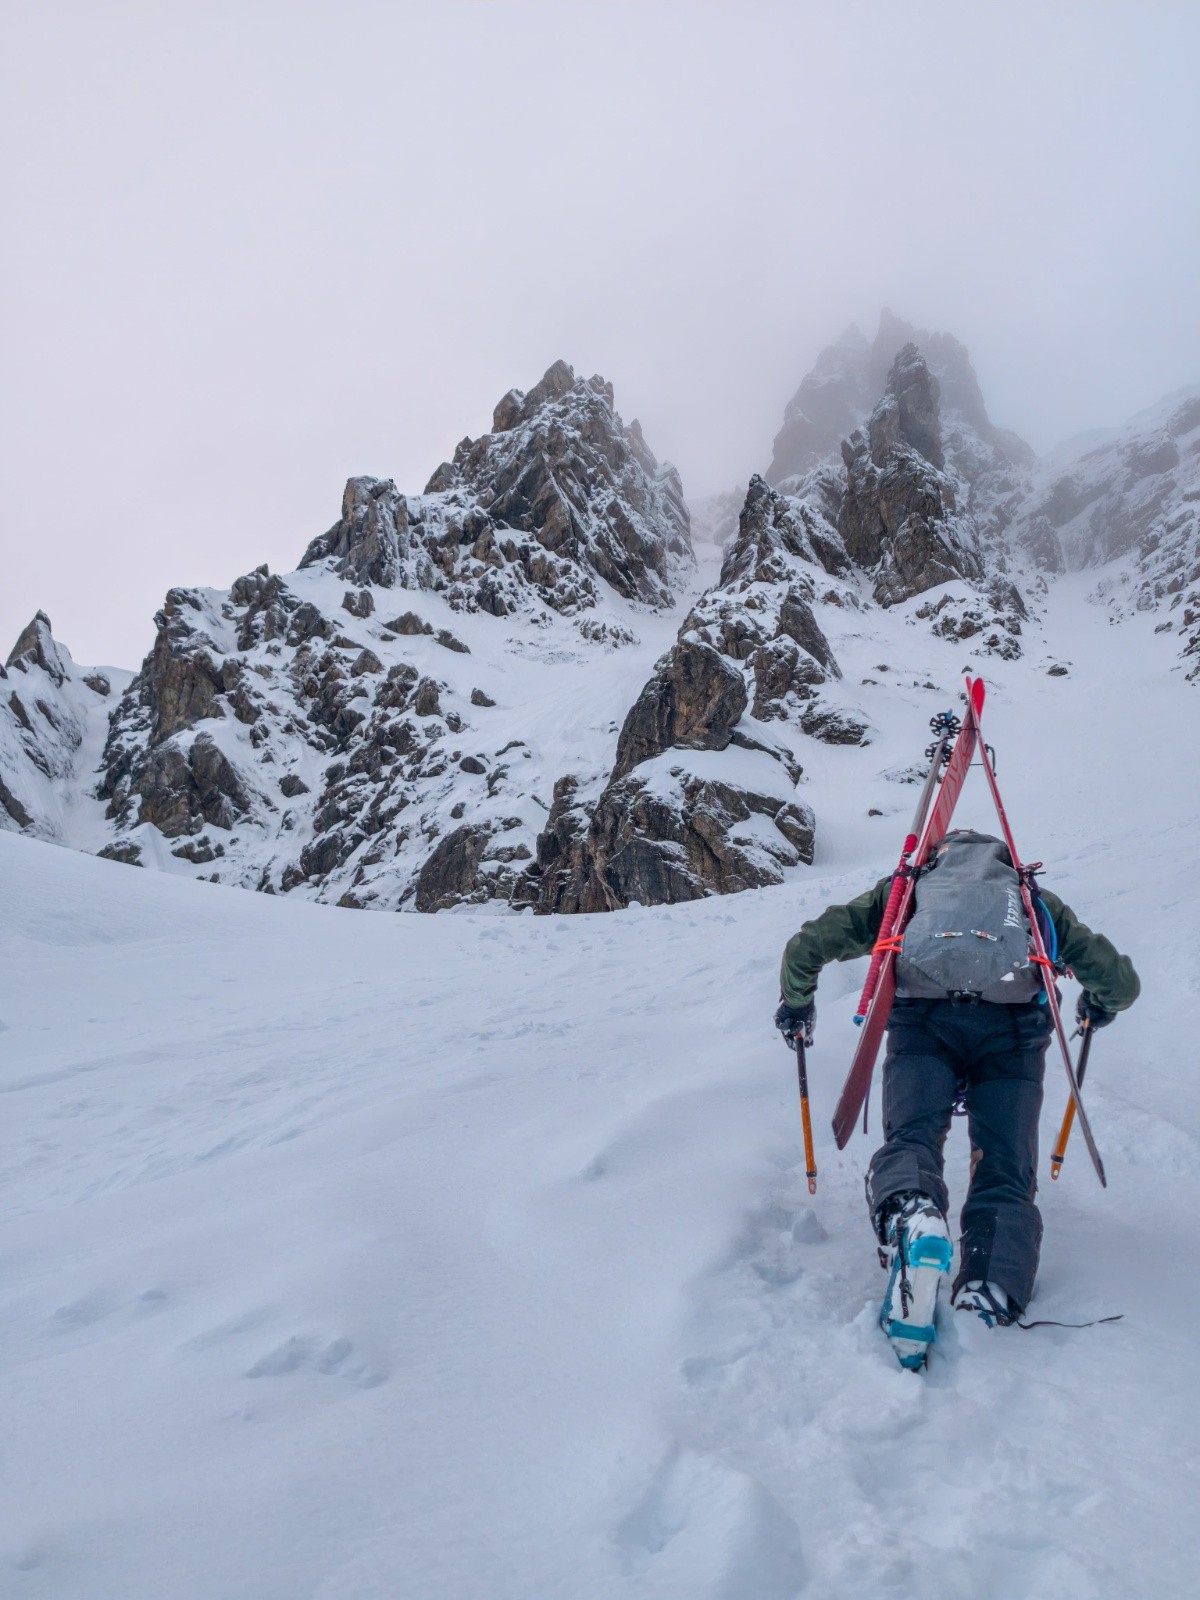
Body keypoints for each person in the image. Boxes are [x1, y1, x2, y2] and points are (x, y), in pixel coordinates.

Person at [774, 830, 1139, 1365]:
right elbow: (1119, 984)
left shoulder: (909, 888)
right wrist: (1098, 1002)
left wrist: (796, 1003)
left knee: (913, 1136)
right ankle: (988, 1291)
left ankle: (913, 1211)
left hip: (923, 1023)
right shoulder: (1028, 896)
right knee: (1007, 1168)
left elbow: (807, 945)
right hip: (1012, 1032)